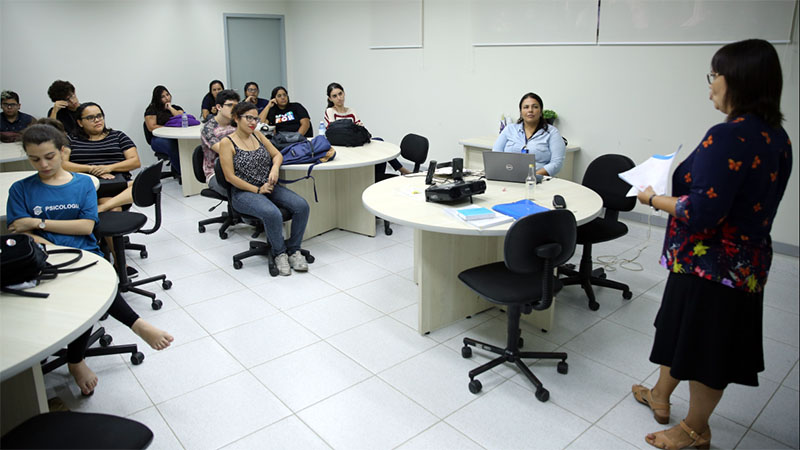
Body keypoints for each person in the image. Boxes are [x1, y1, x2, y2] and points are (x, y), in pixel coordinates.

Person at [631, 39, 792, 450]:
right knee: (684, 333)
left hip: (714, 265)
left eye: (714, 75)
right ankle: (661, 395)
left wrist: (652, 198)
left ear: (737, 79)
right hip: (740, 262)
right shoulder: (777, 137)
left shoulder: (728, 136)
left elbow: (702, 211)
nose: (710, 85)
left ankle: (695, 430)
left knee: (705, 349)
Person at [7, 123, 174, 395]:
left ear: (63, 152)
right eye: (35, 159)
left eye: (49, 156)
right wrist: (49, 244)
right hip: (42, 259)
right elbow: (19, 232)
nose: (43, 164)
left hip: (84, 253)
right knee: (73, 291)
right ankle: (128, 329)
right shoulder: (21, 188)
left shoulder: (82, 183)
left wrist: (37, 222)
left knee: (92, 290)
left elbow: (85, 227)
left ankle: (80, 357)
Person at [218, 102, 310, 276]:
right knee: (272, 213)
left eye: (256, 118)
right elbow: (230, 177)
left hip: (268, 186)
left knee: (302, 206)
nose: (253, 122)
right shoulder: (227, 143)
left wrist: (275, 168)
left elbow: (277, 154)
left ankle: (294, 250)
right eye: (249, 118)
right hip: (244, 192)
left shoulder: (258, 135)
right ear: (237, 118)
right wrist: (257, 190)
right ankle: (280, 253)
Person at [63, 102, 140, 213]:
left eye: (99, 116)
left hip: (117, 182)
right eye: (90, 117)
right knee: (114, 208)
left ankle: (102, 208)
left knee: (143, 184)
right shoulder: (71, 139)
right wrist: (92, 169)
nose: (97, 120)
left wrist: (109, 168)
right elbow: (63, 164)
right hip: (89, 183)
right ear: (80, 122)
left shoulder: (118, 136)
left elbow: (135, 161)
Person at [323, 82, 410, 178]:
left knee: (379, 141)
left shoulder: (351, 111)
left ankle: (383, 174)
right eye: (334, 96)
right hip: (342, 146)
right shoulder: (330, 111)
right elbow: (334, 132)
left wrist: (349, 129)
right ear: (330, 99)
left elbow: (361, 128)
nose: (339, 98)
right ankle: (401, 170)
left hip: (355, 142)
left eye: (340, 94)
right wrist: (351, 128)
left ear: (344, 93)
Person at [492, 92, 566, 177]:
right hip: (509, 177)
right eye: (526, 107)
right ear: (521, 111)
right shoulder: (509, 129)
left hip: (539, 181)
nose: (530, 110)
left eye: (535, 107)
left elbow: (556, 163)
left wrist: (532, 176)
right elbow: (496, 156)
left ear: (541, 111)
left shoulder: (552, 133)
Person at [201, 89, 240, 196]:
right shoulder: (209, 129)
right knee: (240, 193)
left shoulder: (237, 123)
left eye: (236, 106)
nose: (234, 109)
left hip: (240, 169)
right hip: (216, 173)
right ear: (219, 107)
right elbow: (223, 151)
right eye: (230, 105)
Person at [144, 85, 183, 175]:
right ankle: (182, 172)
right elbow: (151, 127)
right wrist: (168, 128)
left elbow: (182, 118)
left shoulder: (175, 107)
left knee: (186, 144)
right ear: (157, 98)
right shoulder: (151, 110)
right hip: (157, 139)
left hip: (176, 137)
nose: (166, 98)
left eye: (167, 95)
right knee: (172, 145)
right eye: (163, 97)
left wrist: (170, 108)